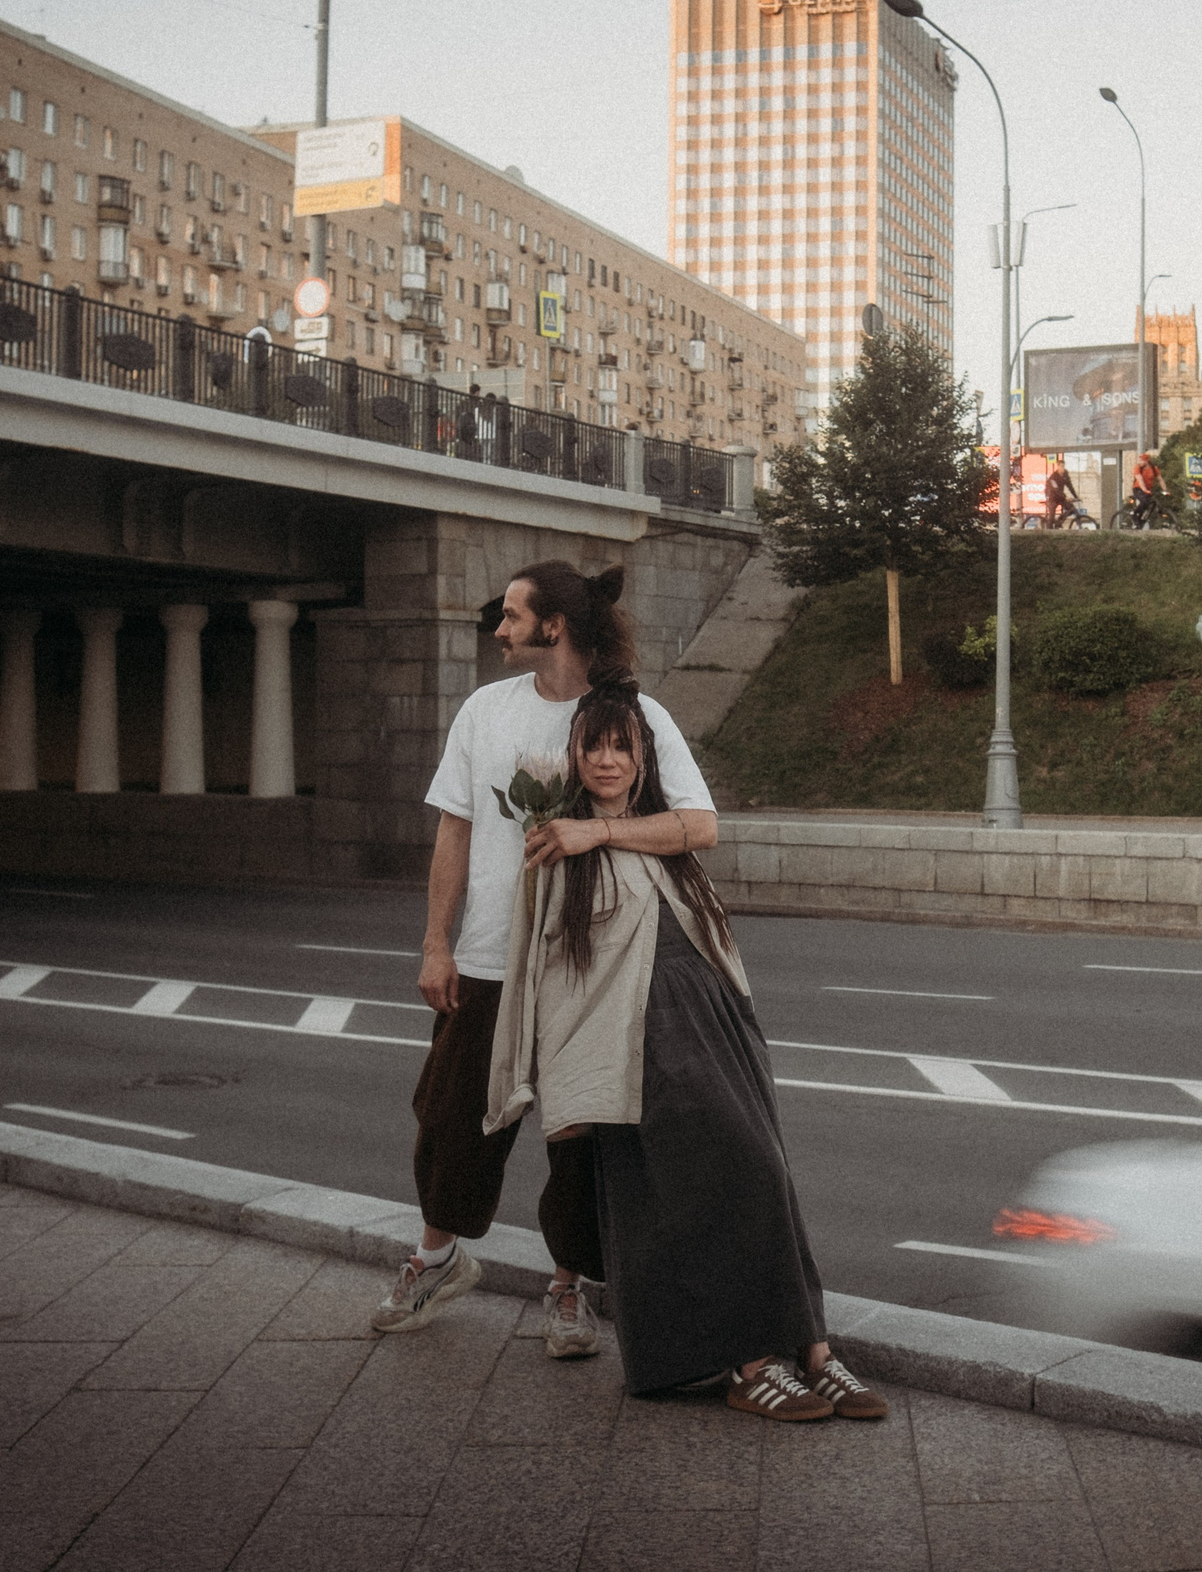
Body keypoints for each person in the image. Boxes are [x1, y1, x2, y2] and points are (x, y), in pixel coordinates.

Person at [489, 678, 888, 1424]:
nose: (608, 761)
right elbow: (533, 973)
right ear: (572, 756)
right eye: (593, 746)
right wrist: (540, 1085)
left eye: (622, 747)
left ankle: (811, 1351)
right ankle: (748, 1363)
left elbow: (701, 839)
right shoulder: (552, 844)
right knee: (706, 1186)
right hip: (634, 1038)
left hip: (712, 1017)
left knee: (766, 1177)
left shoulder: (659, 832)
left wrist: (602, 832)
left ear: (642, 759)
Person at [372, 561, 718, 1361]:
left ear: (554, 625)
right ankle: (437, 1258)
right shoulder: (484, 712)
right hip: (490, 955)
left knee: (578, 1136)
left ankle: (567, 1287)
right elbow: (454, 831)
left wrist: (599, 830)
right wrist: (436, 942)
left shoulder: (633, 716)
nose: (498, 628)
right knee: (452, 1117)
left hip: (589, 964)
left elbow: (698, 825)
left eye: (513, 616)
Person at [1130, 450, 1164, 529]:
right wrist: (1144, 490)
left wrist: (1165, 490)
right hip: (1138, 488)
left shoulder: (1154, 469)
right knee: (1144, 501)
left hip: (1148, 489)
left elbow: (1160, 480)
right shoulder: (1137, 468)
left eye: (1142, 460)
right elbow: (1140, 479)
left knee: (1150, 503)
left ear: (1147, 461)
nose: (1140, 462)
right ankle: (1133, 513)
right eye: (1140, 460)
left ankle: (1141, 521)